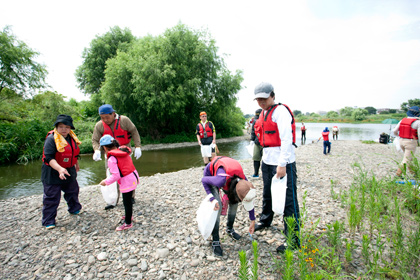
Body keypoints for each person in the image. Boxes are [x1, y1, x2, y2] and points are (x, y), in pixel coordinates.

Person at [253, 82, 300, 254]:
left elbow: (287, 140)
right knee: (268, 193)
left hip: (282, 162)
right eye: (258, 99)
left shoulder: (280, 112)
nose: (261, 101)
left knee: (288, 201)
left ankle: (293, 240)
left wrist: (282, 165)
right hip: (267, 160)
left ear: (272, 95)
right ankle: (266, 220)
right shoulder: (264, 113)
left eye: (264, 98)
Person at [201, 156, 256, 257]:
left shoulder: (245, 182)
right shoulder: (220, 180)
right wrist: (212, 199)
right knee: (217, 206)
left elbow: (249, 199)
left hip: (227, 177)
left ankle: (229, 229)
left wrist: (253, 220)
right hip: (211, 175)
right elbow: (204, 180)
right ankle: (215, 239)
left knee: (234, 203)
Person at [92, 104, 142, 210]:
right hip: (110, 155)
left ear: (113, 114)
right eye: (102, 117)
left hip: (124, 152)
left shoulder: (124, 120)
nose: (105, 120)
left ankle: (130, 196)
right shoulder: (99, 125)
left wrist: (137, 146)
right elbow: (95, 139)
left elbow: (134, 131)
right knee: (112, 174)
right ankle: (113, 199)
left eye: (107, 117)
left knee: (127, 174)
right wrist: (96, 150)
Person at [41, 114, 82, 229]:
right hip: (52, 171)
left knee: (73, 190)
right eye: (61, 127)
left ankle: (74, 209)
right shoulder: (51, 139)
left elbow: (74, 153)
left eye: (67, 127)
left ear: (70, 128)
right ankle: (48, 221)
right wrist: (60, 169)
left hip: (68, 169)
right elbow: (48, 158)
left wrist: (76, 164)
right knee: (52, 196)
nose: (64, 130)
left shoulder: (71, 137)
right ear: (57, 127)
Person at [99, 135, 139, 231]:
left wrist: (106, 182)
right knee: (128, 200)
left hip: (126, 181)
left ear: (104, 148)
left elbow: (116, 175)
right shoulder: (122, 150)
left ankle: (128, 223)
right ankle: (128, 216)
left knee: (127, 202)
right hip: (133, 177)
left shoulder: (112, 159)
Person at [393, 106, 420, 177]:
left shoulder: (402, 120)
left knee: (409, 158)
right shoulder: (418, 122)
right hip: (410, 142)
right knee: (406, 159)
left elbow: (394, 131)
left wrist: (398, 137)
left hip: (401, 141)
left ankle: (414, 174)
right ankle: (398, 175)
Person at [250, 109, 263, 178]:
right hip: (257, 142)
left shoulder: (266, 120)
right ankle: (256, 173)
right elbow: (253, 131)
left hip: (265, 144)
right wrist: (252, 140)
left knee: (266, 160)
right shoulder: (255, 121)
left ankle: (265, 174)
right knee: (256, 158)